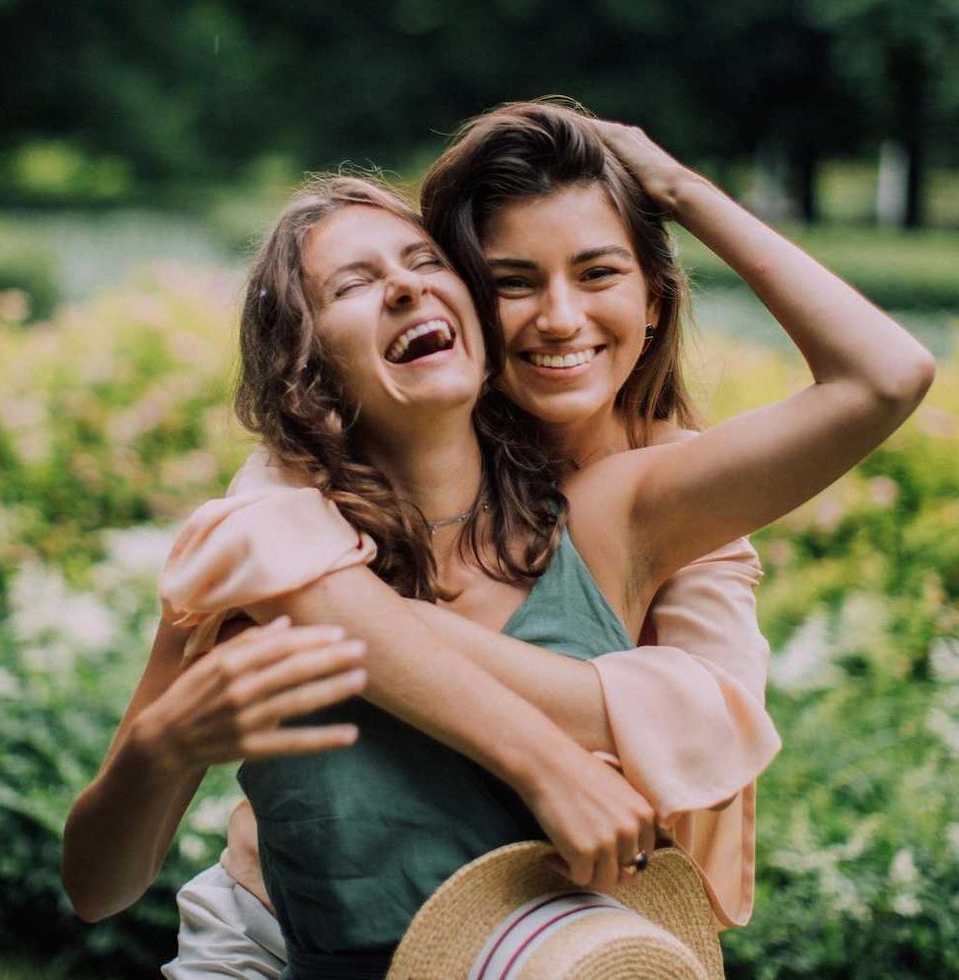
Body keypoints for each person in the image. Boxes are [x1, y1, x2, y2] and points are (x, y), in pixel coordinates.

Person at [152, 103, 932, 977]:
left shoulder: (660, 503)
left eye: (598, 272)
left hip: (513, 931)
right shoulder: (380, 434)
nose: (559, 319)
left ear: (654, 297)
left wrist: (679, 188)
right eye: (514, 282)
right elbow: (259, 538)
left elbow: (888, 376)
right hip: (281, 912)